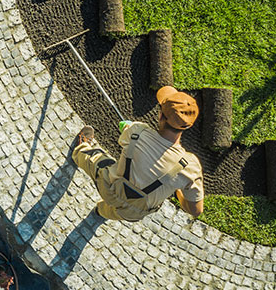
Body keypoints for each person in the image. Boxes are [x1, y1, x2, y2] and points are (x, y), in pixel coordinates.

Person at [72, 86, 204, 221]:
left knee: (93, 157)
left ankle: (79, 149)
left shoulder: (138, 131)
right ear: (188, 125)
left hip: (109, 186)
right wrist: (179, 192)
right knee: (114, 212)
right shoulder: (190, 168)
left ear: (160, 116)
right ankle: (100, 212)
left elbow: (124, 138)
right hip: (134, 212)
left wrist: (127, 127)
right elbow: (196, 210)